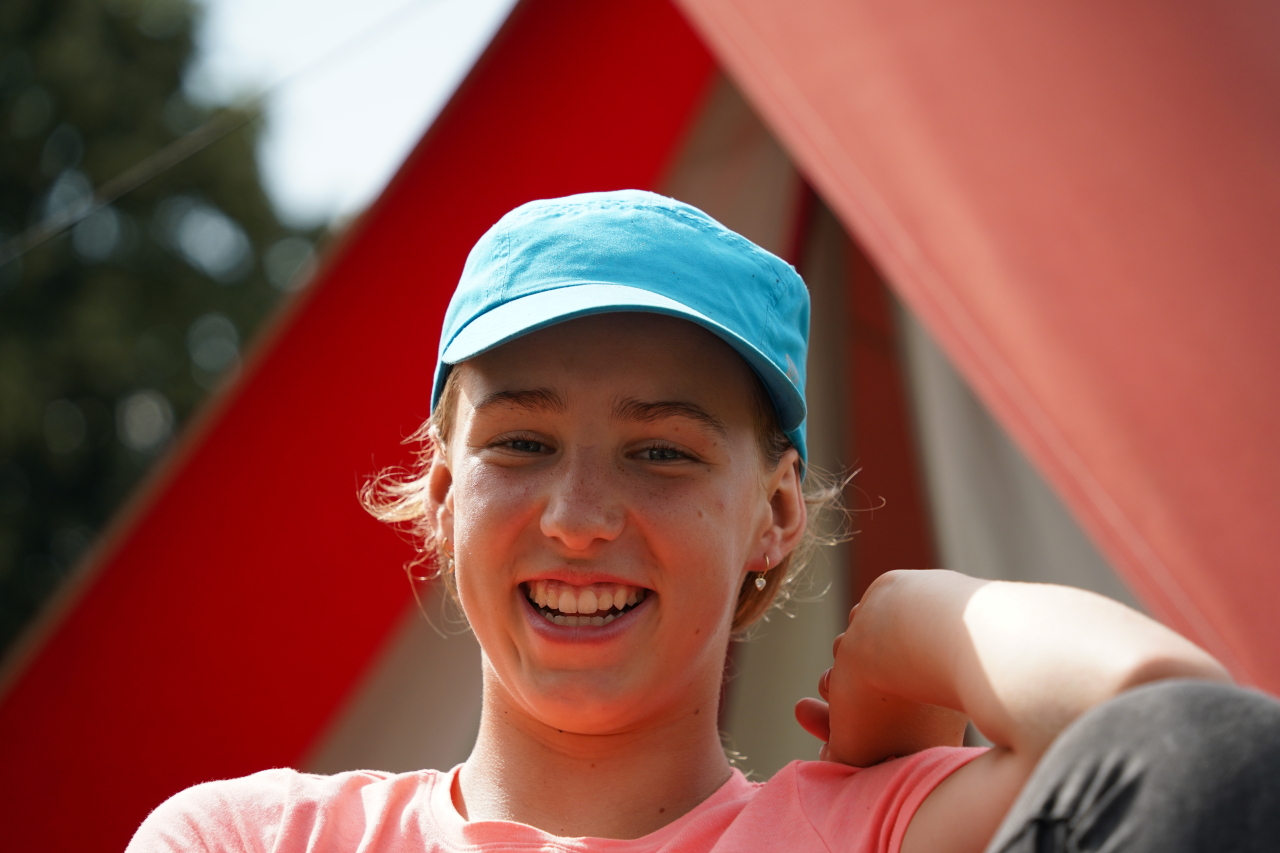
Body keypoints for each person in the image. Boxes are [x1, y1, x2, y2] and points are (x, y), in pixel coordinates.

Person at [127, 190, 1280, 853]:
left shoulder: (870, 833)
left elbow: (1198, 747)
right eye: (520, 443)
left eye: (660, 452)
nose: (578, 518)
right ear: (440, 491)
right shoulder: (249, 839)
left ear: (775, 513)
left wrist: (902, 623)